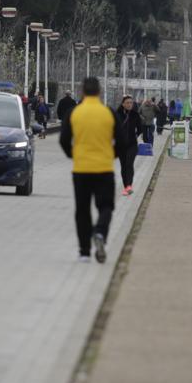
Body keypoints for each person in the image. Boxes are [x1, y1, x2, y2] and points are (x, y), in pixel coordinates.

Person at [60, 77, 117, 263]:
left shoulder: (73, 113)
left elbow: (63, 139)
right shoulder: (108, 113)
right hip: (104, 169)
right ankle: (100, 232)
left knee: (82, 210)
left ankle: (84, 252)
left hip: (81, 169)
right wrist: (111, 155)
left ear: (82, 92)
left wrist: (73, 155)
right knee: (106, 205)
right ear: (99, 91)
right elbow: (123, 141)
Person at [114, 95, 144, 196]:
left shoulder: (135, 115)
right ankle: (126, 187)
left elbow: (140, 129)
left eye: (131, 102)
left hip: (132, 145)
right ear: (123, 104)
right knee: (123, 166)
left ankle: (129, 186)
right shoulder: (117, 115)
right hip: (120, 145)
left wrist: (134, 136)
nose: (129, 104)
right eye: (127, 103)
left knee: (129, 164)